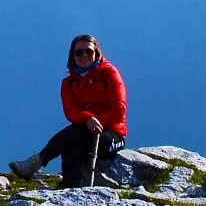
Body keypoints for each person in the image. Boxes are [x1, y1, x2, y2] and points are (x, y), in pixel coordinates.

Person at [9, 34, 126, 188]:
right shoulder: (68, 83)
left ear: (96, 53)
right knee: (71, 147)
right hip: (85, 134)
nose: (84, 55)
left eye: (89, 52)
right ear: (73, 55)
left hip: (113, 137)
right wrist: (88, 119)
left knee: (77, 131)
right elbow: (71, 111)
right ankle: (71, 192)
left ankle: (39, 160)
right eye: (79, 52)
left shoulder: (108, 73)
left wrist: (94, 121)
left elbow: (118, 108)